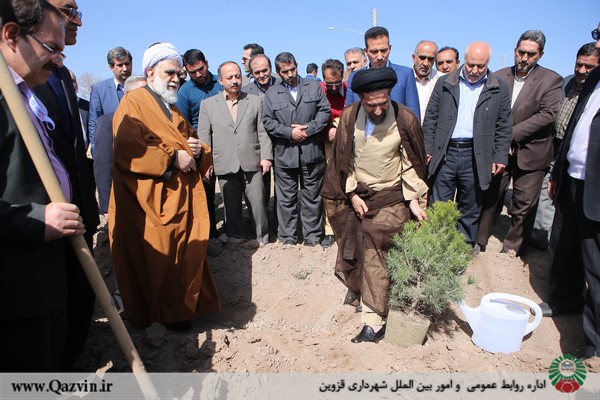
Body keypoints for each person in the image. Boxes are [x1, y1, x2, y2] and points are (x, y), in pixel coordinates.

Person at [109, 42, 221, 330]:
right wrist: (172, 158)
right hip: (152, 203)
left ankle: (184, 311)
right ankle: (168, 317)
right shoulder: (133, 103)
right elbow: (129, 148)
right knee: (162, 262)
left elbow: (189, 140)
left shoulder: (171, 107)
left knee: (185, 256)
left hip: (179, 201)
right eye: (169, 72)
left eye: (178, 74)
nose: (176, 79)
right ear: (150, 73)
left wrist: (197, 150)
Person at [321, 67, 428, 343]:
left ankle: (374, 320)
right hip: (358, 195)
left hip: (391, 197)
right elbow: (343, 160)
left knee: (375, 249)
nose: (378, 110)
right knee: (358, 250)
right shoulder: (349, 117)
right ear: (361, 99)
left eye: (383, 103)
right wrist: (352, 194)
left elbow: (411, 163)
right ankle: (367, 296)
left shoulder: (404, 119)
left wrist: (413, 200)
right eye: (371, 105)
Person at [0, 0, 79, 372]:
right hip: (14, 292)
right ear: (12, 35)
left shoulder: (27, 94)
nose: (58, 60)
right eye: (51, 48)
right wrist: (35, 219)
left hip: (44, 279)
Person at [34, 0, 99, 371]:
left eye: (78, 11)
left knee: (78, 301)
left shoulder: (60, 74)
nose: (76, 21)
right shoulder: (22, 81)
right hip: (39, 226)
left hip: (76, 215)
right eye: (67, 10)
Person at [540, 23, 600, 360]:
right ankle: (564, 301)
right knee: (562, 245)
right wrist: (559, 172)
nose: (598, 41)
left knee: (596, 266)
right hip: (572, 178)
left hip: (597, 187)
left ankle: (595, 346)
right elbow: (574, 128)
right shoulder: (593, 80)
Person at [476, 30, 562, 255]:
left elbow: (548, 115)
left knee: (524, 204)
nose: (524, 58)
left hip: (532, 151)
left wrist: (510, 135)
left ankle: (512, 249)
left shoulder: (551, 80)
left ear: (540, 55)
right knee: (490, 196)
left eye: (531, 54)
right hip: (499, 150)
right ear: (515, 50)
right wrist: (501, 140)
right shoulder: (498, 76)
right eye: (521, 52)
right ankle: (479, 240)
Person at [423, 42, 512, 249]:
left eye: (481, 66)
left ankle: (463, 247)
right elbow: (431, 118)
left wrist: (500, 155)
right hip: (445, 153)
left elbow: (504, 124)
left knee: (471, 204)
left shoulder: (499, 87)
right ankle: (436, 246)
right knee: (439, 202)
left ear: (488, 63)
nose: (474, 70)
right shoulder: (445, 83)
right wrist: (428, 148)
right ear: (464, 60)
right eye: (471, 64)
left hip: (476, 154)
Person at [531, 42, 599, 250]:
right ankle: (542, 240)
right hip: (555, 148)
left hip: (582, 157)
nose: (582, 70)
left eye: (589, 67)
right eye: (579, 64)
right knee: (547, 194)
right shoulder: (566, 83)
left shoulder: (594, 91)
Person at [198, 62, 272, 245]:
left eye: (237, 76)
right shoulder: (208, 105)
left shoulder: (255, 101)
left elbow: (262, 132)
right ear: (220, 80)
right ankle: (236, 237)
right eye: (229, 77)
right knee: (231, 204)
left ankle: (261, 237)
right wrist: (206, 163)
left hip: (252, 159)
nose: (234, 81)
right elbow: (204, 137)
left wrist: (266, 157)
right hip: (224, 161)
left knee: (258, 202)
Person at [262, 52, 331, 246]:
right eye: (285, 71)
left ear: (297, 65)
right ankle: (288, 238)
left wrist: (308, 129)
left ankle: (312, 237)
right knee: (286, 199)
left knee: (312, 197)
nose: (290, 74)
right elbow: (268, 121)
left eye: (292, 69)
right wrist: (289, 133)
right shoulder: (271, 93)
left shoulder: (313, 87)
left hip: (311, 153)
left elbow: (324, 111)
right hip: (285, 155)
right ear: (278, 72)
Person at [176, 49, 223, 245]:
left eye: (200, 69)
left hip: (227, 146)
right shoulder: (184, 92)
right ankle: (210, 234)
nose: (198, 74)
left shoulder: (221, 83)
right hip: (202, 150)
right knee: (206, 194)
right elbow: (183, 126)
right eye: (192, 72)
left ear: (207, 63)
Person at [93, 75, 147, 218]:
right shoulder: (108, 122)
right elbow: (103, 166)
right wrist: (106, 206)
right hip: (124, 196)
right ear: (128, 94)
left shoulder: (154, 121)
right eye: (143, 92)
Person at [345, 26, 420, 121]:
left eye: (383, 50)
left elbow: (414, 116)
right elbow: (349, 116)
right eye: (374, 52)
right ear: (366, 51)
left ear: (390, 48)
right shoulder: (354, 78)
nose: (380, 56)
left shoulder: (405, 75)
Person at [319, 59, 347, 248]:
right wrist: (326, 131)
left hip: (349, 143)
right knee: (330, 186)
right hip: (328, 145)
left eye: (337, 83)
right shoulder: (319, 92)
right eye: (330, 84)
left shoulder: (351, 90)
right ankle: (329, 229)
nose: (334, 88)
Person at [88, 46, 132, 155]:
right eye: (120, 65)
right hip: (112, 153)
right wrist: (98, 154)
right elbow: (94, 124)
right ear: (111, 67)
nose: (125, 68)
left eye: (127, 64)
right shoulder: (99, 90)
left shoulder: (142, 86)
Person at [412, 40, 444, 123]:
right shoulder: (403, 77)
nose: (426, 63)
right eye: (422, 58)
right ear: (413, 57)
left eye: (430, 59)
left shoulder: (442, 80)